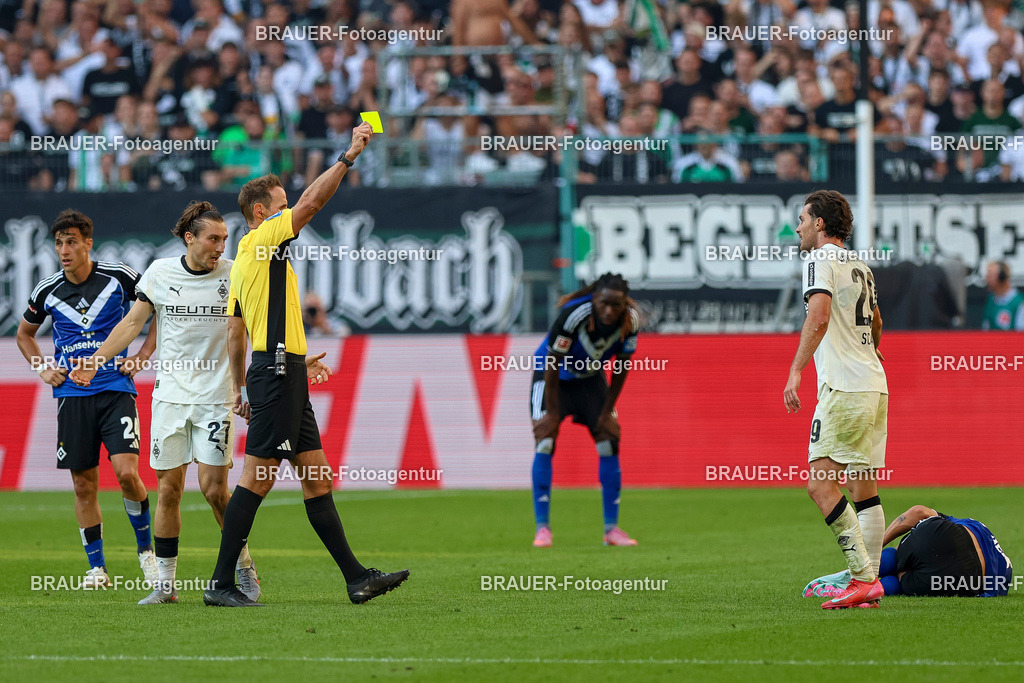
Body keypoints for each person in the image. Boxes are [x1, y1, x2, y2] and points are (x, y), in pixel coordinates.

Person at [202, 122, 409, 607]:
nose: (288, 210)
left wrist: (249, 385)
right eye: (280, 204)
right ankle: (220, 583)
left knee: (316, 475)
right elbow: (312, 205)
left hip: (278, 369)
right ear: (261, 213)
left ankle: (357, 578)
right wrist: (350, 154)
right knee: (257, 477)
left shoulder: (246, 263)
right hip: (276, 370)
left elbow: (237, 331)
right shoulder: (260, 241)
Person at [70, 201, 260, 605]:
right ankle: (166, 586)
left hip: (215, 398)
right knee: (168, 491)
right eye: (213, 238)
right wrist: (95, 361)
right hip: (170, 399)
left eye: (225, 239)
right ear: (190, 238)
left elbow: (252, 327)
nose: (220, 247)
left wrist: (291, 357)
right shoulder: (159, 273)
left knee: (214, 491)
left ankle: (243, 567)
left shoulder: (235, 274)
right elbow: (131, 323)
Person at [15, 209, 157, 590]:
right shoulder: (46, 290)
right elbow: (24, 335)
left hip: (115, 389)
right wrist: (44, 369)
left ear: (88, 243)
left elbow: (157, 308)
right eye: (59, 243)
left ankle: (147, 554)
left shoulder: (119, 277)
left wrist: (142, 358)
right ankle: (97, 569)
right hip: (72, 395)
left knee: (128, 474)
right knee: (84, 485)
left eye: (71, 242)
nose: (64, 250)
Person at [783, 190, 889, 609]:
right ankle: (869, 579)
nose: (798, 227)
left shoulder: (818, 260)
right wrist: (872, 350)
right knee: (863, 487)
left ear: (820, 224)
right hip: (874, 385)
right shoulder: (859, 264)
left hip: (844, 386)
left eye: (803, 219)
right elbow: (876, 320)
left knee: (820, 485)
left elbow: (819, 316)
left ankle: (864, 579)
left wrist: (795, 370)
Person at [530, 272, 641, 548]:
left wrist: (607, 411)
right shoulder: (574, 315)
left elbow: (622, 366)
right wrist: (553, 414)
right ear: (594, 299)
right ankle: (543, 529)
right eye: (604, 303)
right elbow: (552, 362)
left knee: (609, 442)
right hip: (551, 378)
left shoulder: (631, 321)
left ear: (624, 303)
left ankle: (611, 530)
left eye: (616, 305)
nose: (609, 310)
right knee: (544, 442)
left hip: (590, 379)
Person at [805, 505, 1013, 598]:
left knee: (897, 558)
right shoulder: (1006, 571)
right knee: (903, 580)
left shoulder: (970, 524)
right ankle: (867, 589)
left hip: (944, 536)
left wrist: (875, 547)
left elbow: (918, 512)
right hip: (966, 579)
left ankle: (861, 572)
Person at [982, 261, 1024, 329]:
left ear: (1002, 277)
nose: (987, 279)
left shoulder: (1019, 303)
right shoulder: (990, 300)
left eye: (990, 276)